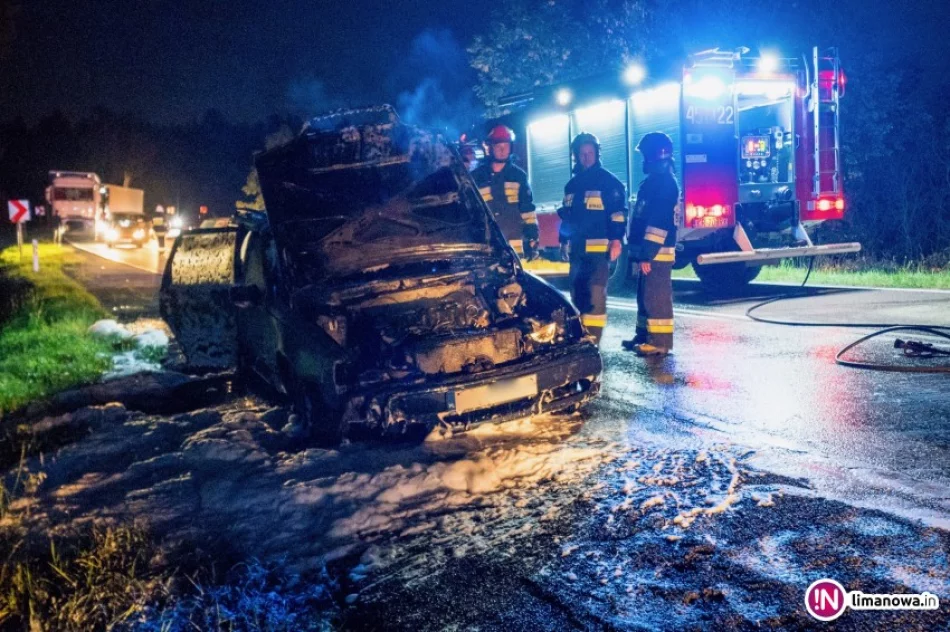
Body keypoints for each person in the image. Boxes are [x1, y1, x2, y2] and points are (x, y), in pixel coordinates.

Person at [559, 132, 626, 344]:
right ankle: (581, 334)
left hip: (599, 250)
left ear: (597, 153)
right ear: (576, 156)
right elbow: (567, 216)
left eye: (590, 152)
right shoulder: (571, 185)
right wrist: (563, 240)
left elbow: (617, 214)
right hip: (577, 249)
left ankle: (593, 339)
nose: (586, 157)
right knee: (577, 292)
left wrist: (616, 240)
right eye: (582, 153)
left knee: (595, 293)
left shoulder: (609, 182)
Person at [623, 132, 679, 356]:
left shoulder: (664, 184)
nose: (643, 161)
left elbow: (658, 222)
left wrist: (647, 254)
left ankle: (660, 342)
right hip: (649, 251)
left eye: (645, 156)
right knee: (645, 295)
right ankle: (644, 335)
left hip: (657, 252)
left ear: (653, 157)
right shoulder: (654, 183)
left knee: (656, 296)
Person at [471, 125, 539, 259]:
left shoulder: (518, 176)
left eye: (506, 146)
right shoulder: (476, 178)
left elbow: (527, 209)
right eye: (498, 146)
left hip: (514, 246)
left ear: (511, 147)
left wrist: (533, 235)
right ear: (491, 148)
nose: (502, 150)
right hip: (486, 245)